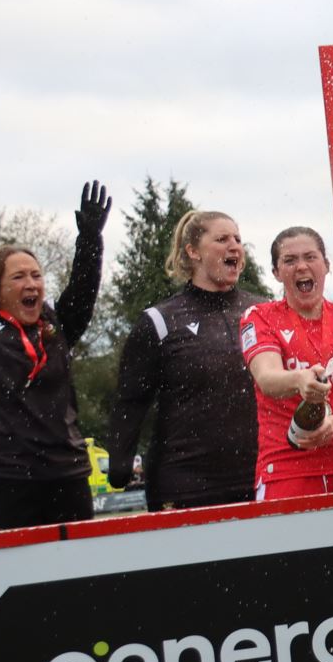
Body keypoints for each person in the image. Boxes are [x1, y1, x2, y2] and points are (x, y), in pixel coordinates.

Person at [0, 173, 111, 533]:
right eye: (18, 277)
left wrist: (90, 239)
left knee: (77, 583)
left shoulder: (55, 327)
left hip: (65, 474)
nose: (31, 284)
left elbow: (83, 291)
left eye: (36, 275)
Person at [106, 210, 266, 510]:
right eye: (221, 239)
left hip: (259, 475)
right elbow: (130, 400)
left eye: (238, 239)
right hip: (185, 482)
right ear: (193, 251)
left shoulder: (262, 311)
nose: (234, 246)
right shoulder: (159, 320)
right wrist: (120, 462)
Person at [240, 227, 333, 499]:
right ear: (276, 272)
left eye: (310, 257)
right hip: (288, 468)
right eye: (290, 260)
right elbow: (267, 378)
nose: (302, 266)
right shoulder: (260, 316)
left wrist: (332, 426)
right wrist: (298, 380)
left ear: (326, 265)